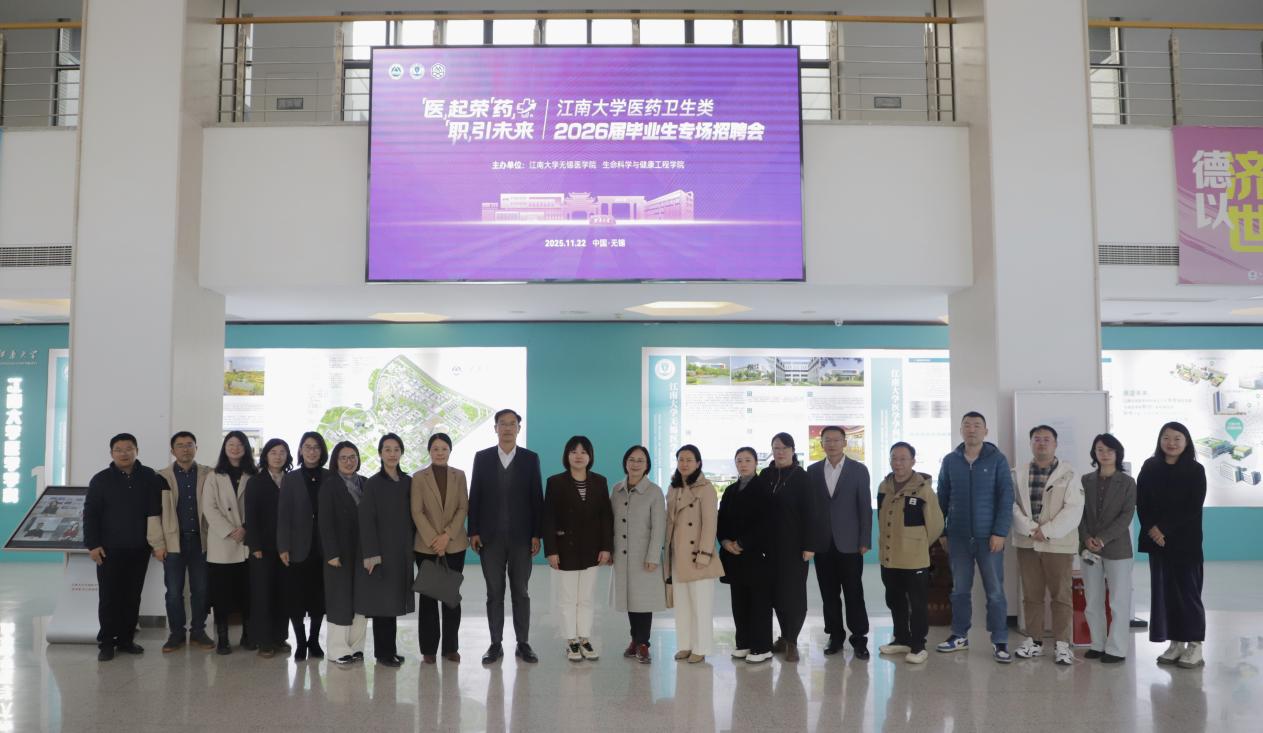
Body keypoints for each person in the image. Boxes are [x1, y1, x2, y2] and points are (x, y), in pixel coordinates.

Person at [935, 411, 1015, 663]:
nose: (972, 429)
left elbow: (1006, 498)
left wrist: (1000, 532)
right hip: (958, 538)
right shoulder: (950, 461)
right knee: (959, 590)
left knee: (995, 592)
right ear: (961, 430)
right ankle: (959, 635)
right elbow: (941, 498)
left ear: (985, 431)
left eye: (977, 425)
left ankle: (999, 640)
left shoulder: (997, 460)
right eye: (967, 425)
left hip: (989, 538)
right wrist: (942, 532)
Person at [467, 408, 544, 665]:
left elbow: (536, 498)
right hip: (490, 539)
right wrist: (473, 531)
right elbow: (475, 496)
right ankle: (495, 643)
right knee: (494, 592)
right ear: (495, 428)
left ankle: (523, 643)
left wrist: (536, 534)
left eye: (512, 424)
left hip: (522, 539)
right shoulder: (483, 458)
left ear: (519, 429)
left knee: (521, 591)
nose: (508, 428)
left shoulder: (530, 459)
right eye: (503, 423)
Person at [85, 433, 162, 662]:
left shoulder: (149, 476)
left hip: (139, 548)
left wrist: (156, 543)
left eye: (128, 448)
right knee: (109, 597)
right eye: (118, 449)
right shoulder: (100, 479)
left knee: (132, 596)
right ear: (111, 453)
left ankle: (127, 640)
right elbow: (90, 514)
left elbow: (156, 511)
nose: (124, 453)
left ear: (137, 450)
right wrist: (93, 544)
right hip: (109, 550)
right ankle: (107, 643)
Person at [1137, 421, 1207, 669]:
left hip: (1185, 542)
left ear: (1186, 442)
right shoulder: (1150, 466)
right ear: (1160, 440)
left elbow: (1192, 506)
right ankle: (1176, 643)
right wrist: (1152, 528)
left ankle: (1195, 645)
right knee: (1165, 594)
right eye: (1166, 437)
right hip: (1158, 542)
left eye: (1177, 438)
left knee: (1188, 593)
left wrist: (1163, 528)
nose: (1171, 443)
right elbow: (1141, 502)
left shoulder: (1195, 470)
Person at [1011, 425, 1082, 665]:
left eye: (1046, 439)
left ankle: (1063, 644)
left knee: (1061, 596)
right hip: (1028, 542)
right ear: (1031, 443)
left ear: (1055, 444)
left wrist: (1047, 530)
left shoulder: (1069, 473)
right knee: (1031, 595)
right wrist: (1032, 529)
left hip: (1058, 543)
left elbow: (1074, 509)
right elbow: (1011, 505)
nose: (1041, 443)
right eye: (1037, 439)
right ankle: (1035, 641)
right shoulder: (1017, 473)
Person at [543, 435, 614, 662]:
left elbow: (606, 517)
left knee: (586, 597)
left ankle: (584, 637)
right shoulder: (555, 482)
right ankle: (571, 640)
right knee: (567, 598)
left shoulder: (600, 482)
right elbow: (548, 519)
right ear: (567, 455)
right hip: (565, 548)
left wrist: (606, 547)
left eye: (583, 452)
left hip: (592, 549)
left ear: (590, 456)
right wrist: (551, 550)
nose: (579, 456)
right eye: (574, 451)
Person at [876, 442, 944, 664]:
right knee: (894, 600)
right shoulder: (884, 487)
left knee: (917, 603)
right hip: (889, 558)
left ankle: (918, 645)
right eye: (894, 458)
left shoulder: (923, 489)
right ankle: (901, 639)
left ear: (913, 461)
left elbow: (936, 525)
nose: (898, 463)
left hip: (914, 559)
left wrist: (918, 544)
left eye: (903, 459)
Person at [808, 425, 872, 659]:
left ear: (845, 443)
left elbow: (865, 507)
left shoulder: (858, 470)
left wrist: (865, 539)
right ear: (821, 444)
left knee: (854, 593)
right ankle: (835, 636)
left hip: (850, 543)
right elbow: (810, 510)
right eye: (827, 440)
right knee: (829, 594)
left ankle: (859, 639)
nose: (832, 444)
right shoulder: (812, 471)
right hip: (823, 544)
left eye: (836, 440)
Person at [148, 431, 215, 653]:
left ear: (196, 448)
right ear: (172, 450)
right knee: (174, 592)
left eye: (189, 445)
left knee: (201, 589)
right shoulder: (160, 477)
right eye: (180, 445)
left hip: (201, 541)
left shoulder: (208, 474)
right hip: (172, 542)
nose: (185, 449)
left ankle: (198, 631)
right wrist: (158, 544)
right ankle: (176, 633)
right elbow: (153, 514)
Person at [357, 433, 415, 667]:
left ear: (401, 453)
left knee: (394, 603)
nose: (392, 454)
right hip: (381, 553)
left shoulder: (408, 482)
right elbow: (366, 520)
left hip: (402, 552)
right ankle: (383, 653)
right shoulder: (373, 483)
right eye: (387, 449)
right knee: (382, 604)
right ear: (380, 453)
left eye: (396, 449)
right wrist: (371, 554)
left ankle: (391, 649)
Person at [411, 432, 469, 664]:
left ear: (450, 451)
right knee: (428, 599)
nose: (440, 452)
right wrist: (435, 539)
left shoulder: (459, 475)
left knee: (451, 597)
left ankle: (451, 647)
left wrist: (447, 536)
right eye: (435, 448)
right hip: (426, 546)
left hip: (455, 545)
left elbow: (463, 508)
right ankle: (428, 649)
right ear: (429, 451)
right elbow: (417, 511)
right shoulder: (419, 477)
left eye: (444, 448)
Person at [760, 432, 817, 663]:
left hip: (794, 547)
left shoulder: (802, 477)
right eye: (776, 448)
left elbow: (811, 513)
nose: (780, 452)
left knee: (793, 595)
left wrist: (810, 544)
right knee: (776, 594)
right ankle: (784, 636)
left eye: (784, 448)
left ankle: (792, 641)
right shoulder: (765, 475)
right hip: (769, 547)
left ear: (793, 450)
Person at [1079, 433, 1136, 664]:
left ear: (1117, 453)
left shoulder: (1128, 482)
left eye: (1109, 450)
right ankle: (1097, 644)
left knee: (1119, 600)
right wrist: (1086, 538)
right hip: (1088, 548)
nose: (1104, 454)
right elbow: (1079, 513)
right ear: (1094, 453)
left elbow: (1126, 516)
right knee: (1092, 599)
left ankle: (1116, 649)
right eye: (1100, 450)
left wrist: (1102, 539)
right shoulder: (1085, 480)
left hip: (1117, 548)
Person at [665, 444, 723, 663]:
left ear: (698, 463)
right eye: (681, 459)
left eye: (689, 460)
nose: (684, 463)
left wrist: (704, 554)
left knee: (700, 605)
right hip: (676, 554)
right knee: (682, 605)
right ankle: (685, 645)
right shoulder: (673, 487)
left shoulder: (706, 488)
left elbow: (710, 524)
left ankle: (701, 647)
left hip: (697, 555)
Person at [718, 446, 774, 664]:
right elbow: (722, 520)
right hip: (733, 555)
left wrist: (742, 543)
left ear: (756, 463)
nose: (743, 464)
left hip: (756, 554)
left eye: (748, 460)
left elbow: (766, 522)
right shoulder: (730, 490)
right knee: (739, 600)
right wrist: (725, 541)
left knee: (758, 601)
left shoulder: (764, 488)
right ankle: (744, 643)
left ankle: (762, 647)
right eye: (739, 460)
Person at [202, 431, 257, 654]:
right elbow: (209, 508)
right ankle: (223, 638)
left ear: (246, 448)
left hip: (247, 542)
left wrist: (246, 527)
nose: (235, 448)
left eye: (239, 444)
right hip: (222, 543)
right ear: (224, 448)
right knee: (221, 594)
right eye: (230, 444)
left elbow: (260, 506)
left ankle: (247, 635)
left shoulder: (254, 474)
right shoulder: (214, 476)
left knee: (248, 592)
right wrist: (230, 530)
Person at [611, 445, 666, 664]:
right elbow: (610, 522)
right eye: (631, 460)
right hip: (622, 555)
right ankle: (634, 639)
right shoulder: (616, 489)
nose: (635, 464)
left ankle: (643, 643)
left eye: (640, 460)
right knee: (629, 599)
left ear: (647, 465)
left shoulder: (654, 491)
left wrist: (653, 556)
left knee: (643, 601)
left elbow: (658, 527)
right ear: (625, 463)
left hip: (643, 556)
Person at [277, 431, 329, 661]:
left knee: (319, 598)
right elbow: (283, 514)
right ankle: (300, 643)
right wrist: (283, 546)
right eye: (307, 447)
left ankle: (314, 641)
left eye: (316, 447)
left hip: (324, 547)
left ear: (322, 451)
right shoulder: (291, 478)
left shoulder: (330, 476)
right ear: (300, 450)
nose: (312, 451)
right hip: (297, 547)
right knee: (296, 599)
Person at [320, 441, 368, 666]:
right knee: (340, 599)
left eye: (352, 457)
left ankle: (356, 646)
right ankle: (337, 649)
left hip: (363, 551)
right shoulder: (329, 485)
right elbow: (325, 521)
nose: (349, 462)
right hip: (339, 552)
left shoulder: (366, 483)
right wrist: (331, 552)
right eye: (343, 458)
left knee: (361, 599)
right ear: (336, 461)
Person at [245, 438, 292, 658]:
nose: (278, 456)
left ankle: (279, 637)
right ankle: (264, 641)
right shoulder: (255, 481)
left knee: (283, 593)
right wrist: (254, 545)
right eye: (273, 452)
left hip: (286, 547)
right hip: (262, 548)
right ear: (266, 456)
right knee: (263, 594)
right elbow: (251, 515)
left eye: (282, 452)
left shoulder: (291, 480)